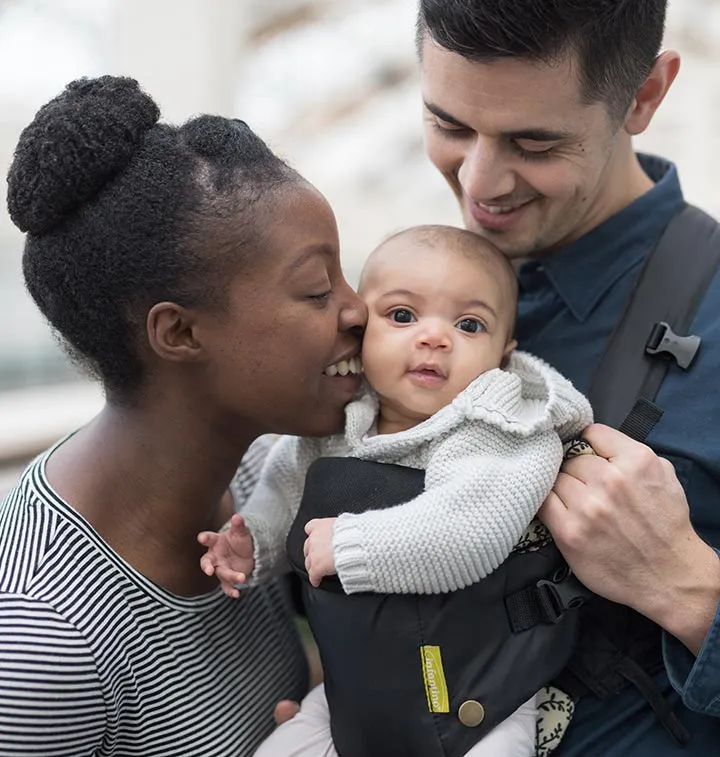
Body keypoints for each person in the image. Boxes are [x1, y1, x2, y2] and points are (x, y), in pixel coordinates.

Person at [0, 75, 368, 756]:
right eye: (318, 288)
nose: (358, 311)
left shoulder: (270, 473)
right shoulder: (45, 641)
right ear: (179, 333)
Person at [413, 1, 720, 755]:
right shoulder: (408, 295)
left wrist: (686, 586)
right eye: (449, 125)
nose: (479, 181)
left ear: (645, 96)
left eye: (534, 142)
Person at [199, 224, 594, 757]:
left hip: (481, 689)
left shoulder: (495, 428)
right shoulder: (341, 423)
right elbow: (285, 488)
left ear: (503, 354)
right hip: (364, 683)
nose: (434, 337)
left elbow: (469, 533)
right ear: (362, 331)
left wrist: (356, 545)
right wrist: (256, 543)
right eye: (402, 316)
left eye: (469, 324)